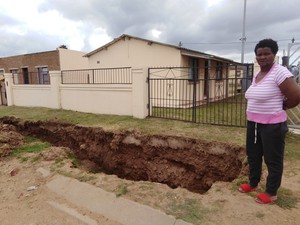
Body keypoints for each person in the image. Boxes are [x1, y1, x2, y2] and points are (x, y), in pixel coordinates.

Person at [239, 38, 300, 204]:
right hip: (254, 123)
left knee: (272, 159)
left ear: (274, 54)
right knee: (253, 155)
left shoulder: (279, 72)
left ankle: (271, 192)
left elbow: (296, 95)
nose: (262, 57)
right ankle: (253, 183)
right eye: (259, 54)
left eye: (267, 53)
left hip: (272, 125)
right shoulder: (258, 74)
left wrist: (284, 106)